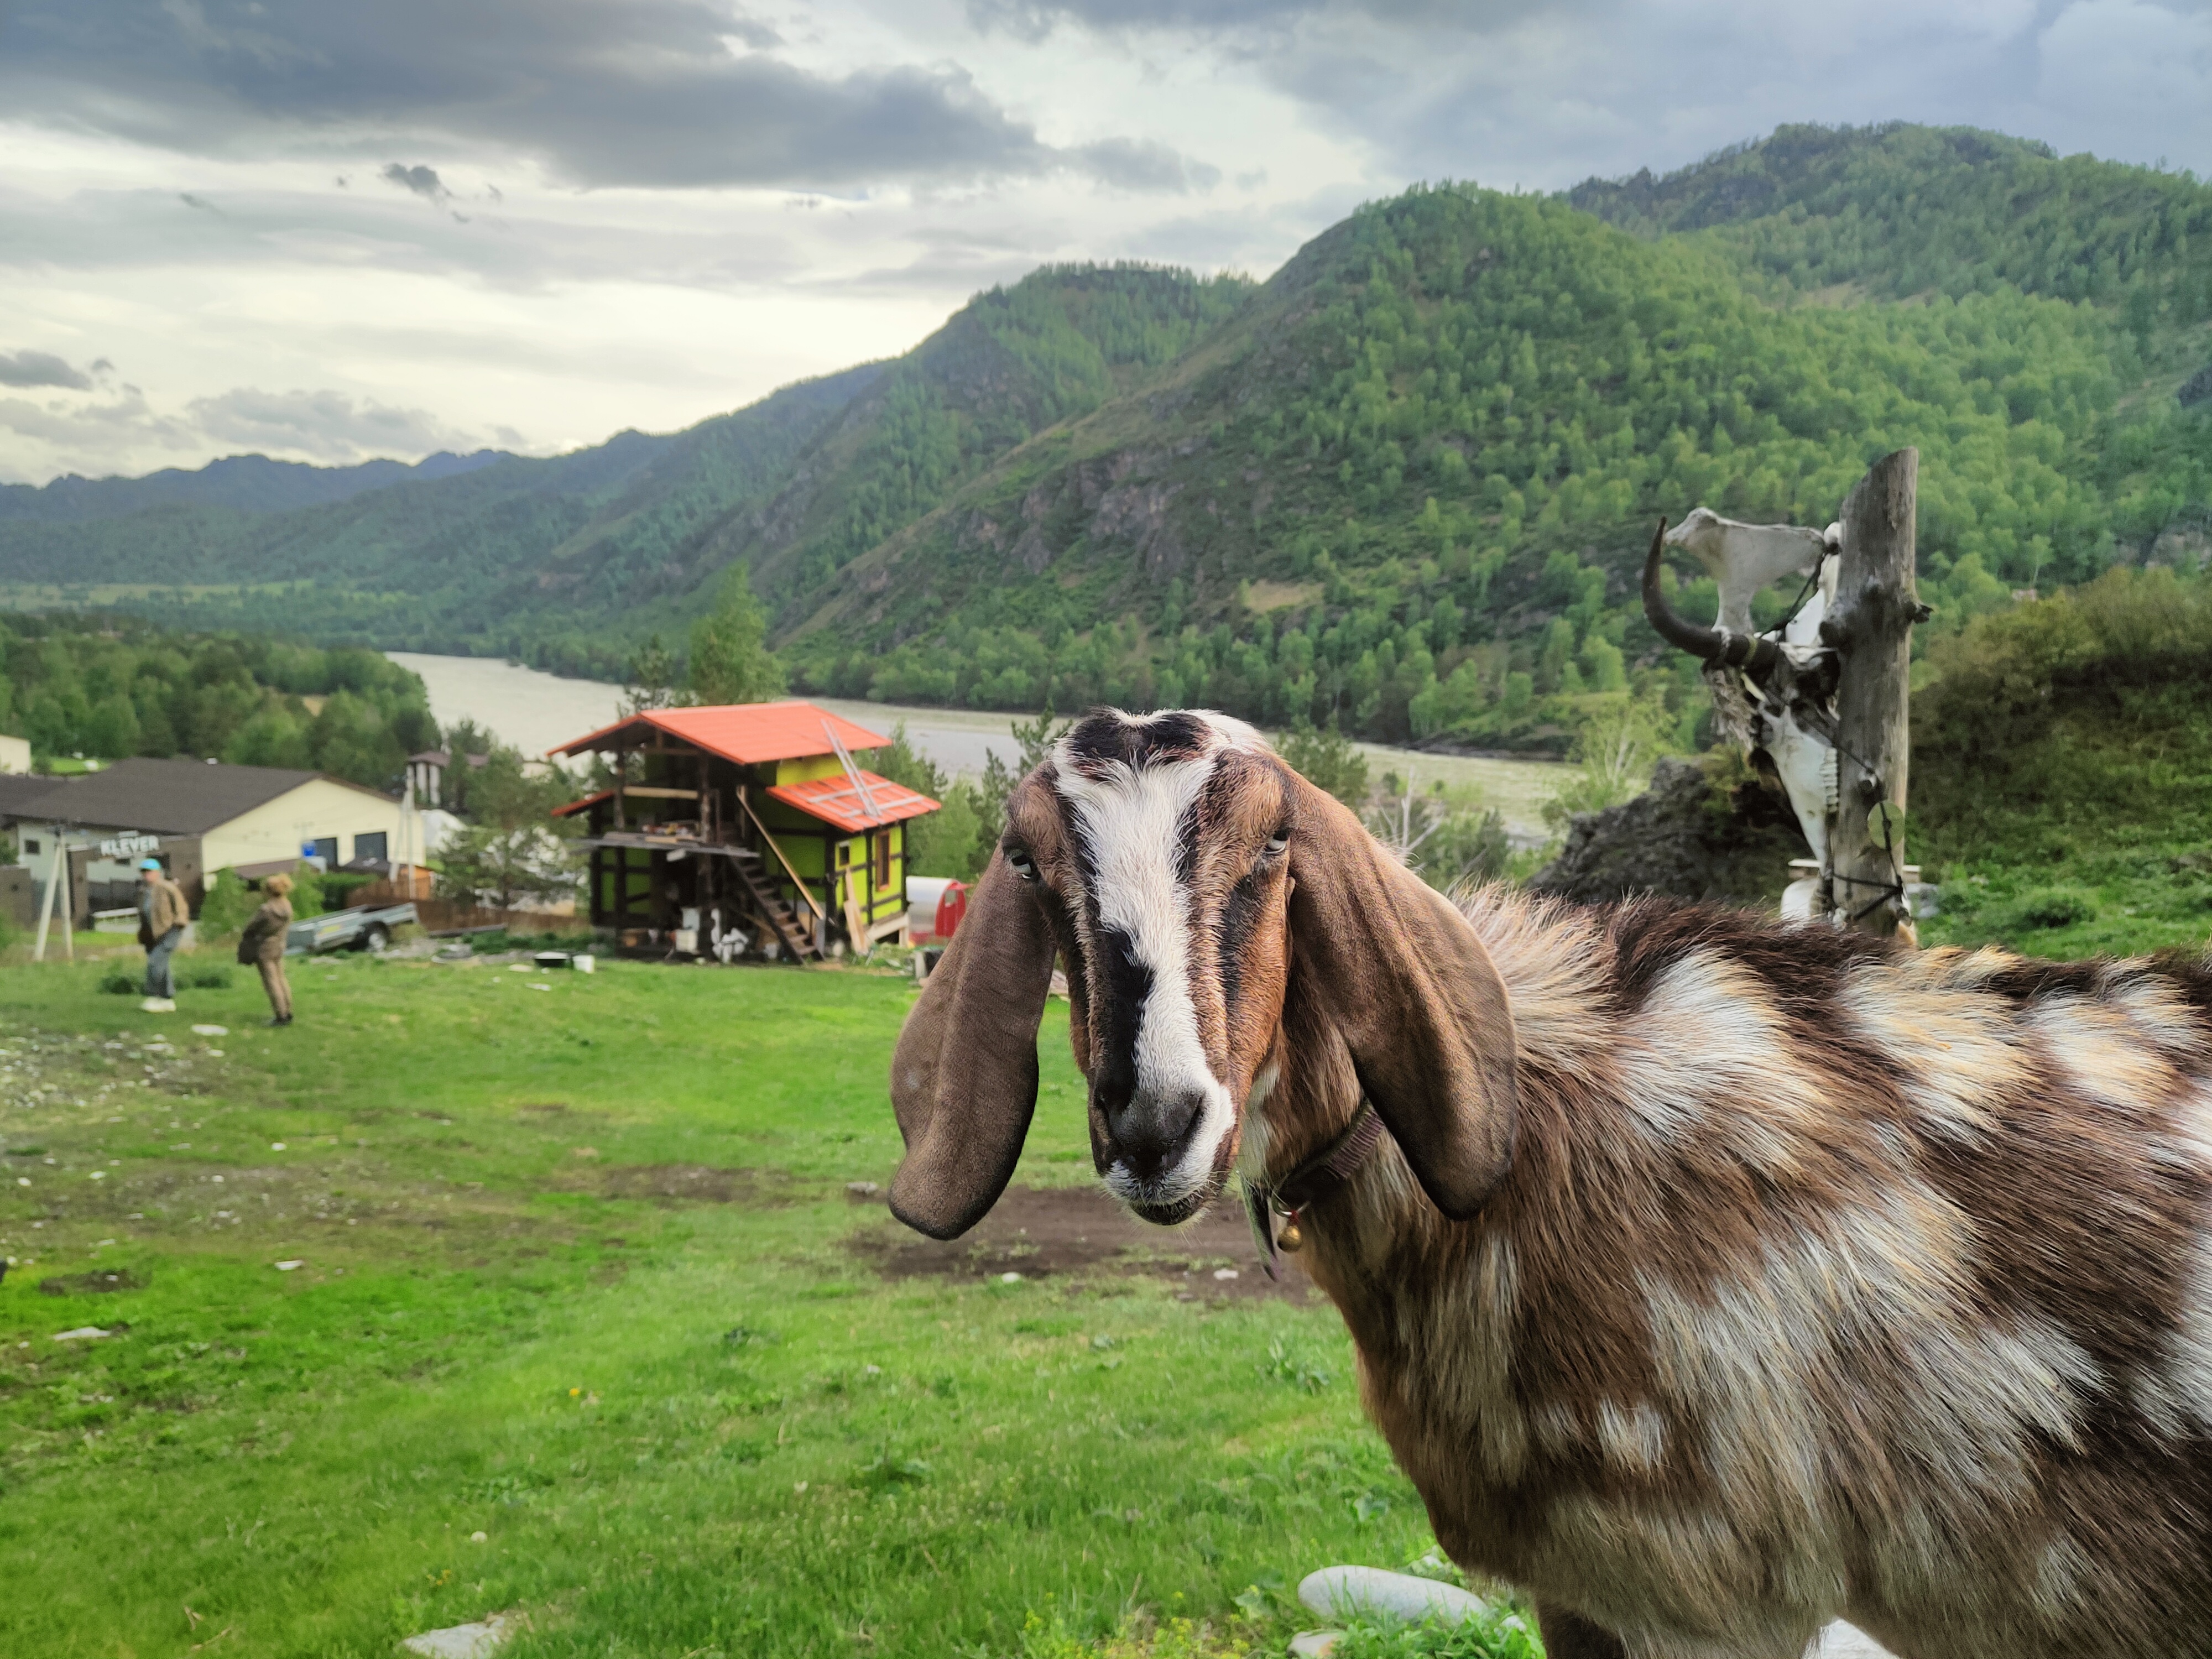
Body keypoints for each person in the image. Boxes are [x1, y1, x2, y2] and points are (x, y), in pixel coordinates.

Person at [237, 873, 296, 1027]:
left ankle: (280, 1015)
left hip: (265, 948)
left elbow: (251, 927)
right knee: (281, 979)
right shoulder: (287, 906)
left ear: (268, 890)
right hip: (280, 945)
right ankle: (288, 1011)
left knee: (271, 982)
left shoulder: (267, 910)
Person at [135, 857, 189, 1013]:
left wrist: (179, 924)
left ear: (157, 873)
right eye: (144, 872)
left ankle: (154, 996)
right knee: (162, 965)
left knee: (155, 963)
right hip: (153, 935)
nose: (146, 875)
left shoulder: (167, 888)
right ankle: (167, 999)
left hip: (171, 931)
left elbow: (181, 908)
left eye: (149, 871)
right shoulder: (143, 892)